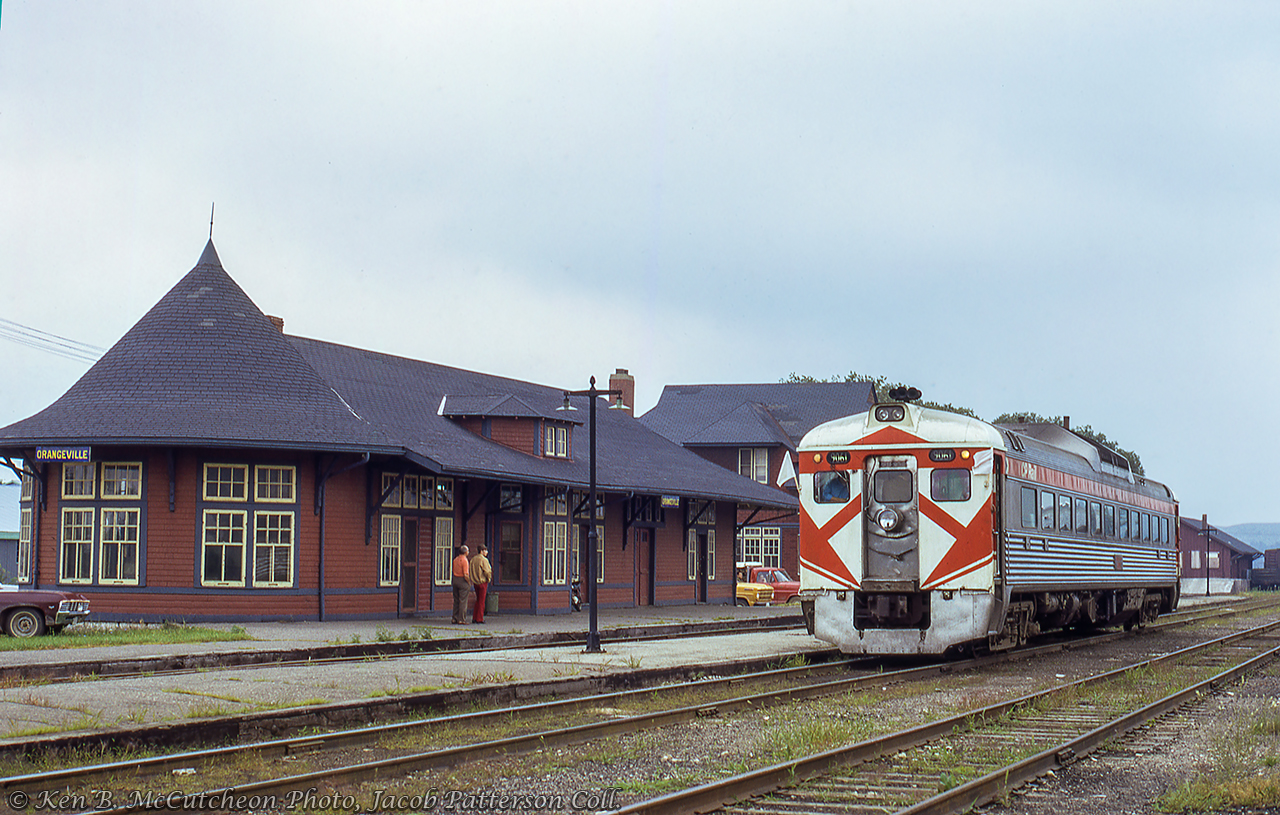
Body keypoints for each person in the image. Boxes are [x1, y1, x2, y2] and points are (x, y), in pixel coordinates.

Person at [469, 543, 493, 624]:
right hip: (482, 582)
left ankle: (474, 617)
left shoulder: (473, 559)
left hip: (475, 582)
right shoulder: (484, 560)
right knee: (482, 601)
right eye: (485, 550)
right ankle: (479, 618)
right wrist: (488, 578)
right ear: (482, 551)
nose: (486, 552)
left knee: (478, 600)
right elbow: (487, 571)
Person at [451, 544, 471, 624]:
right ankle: (461, 619)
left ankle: (454, 617)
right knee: (463, 600)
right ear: (466, 552)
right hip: (462, 580)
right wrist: (468, 582)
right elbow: (466, 574)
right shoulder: (465, 560)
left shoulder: (455, 560)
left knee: (456, 600)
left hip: (455, 579)